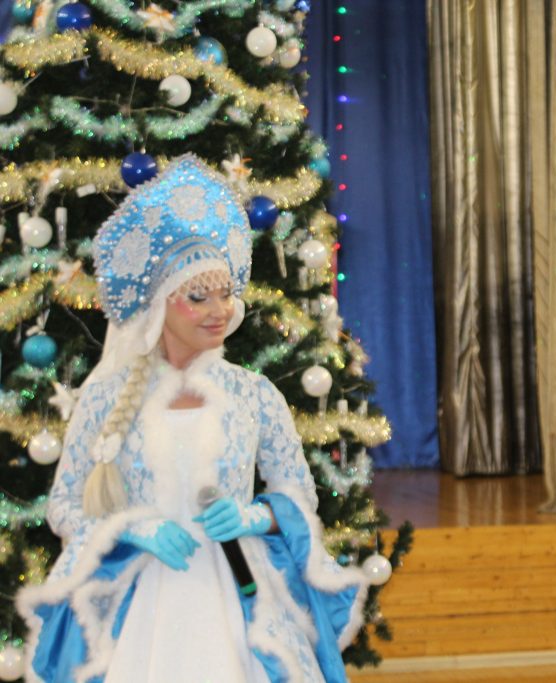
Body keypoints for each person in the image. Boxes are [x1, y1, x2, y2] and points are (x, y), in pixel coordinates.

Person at [17, 155, 367, 682]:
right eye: (198, 297)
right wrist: (134, 528)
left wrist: (254, 516)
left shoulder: (254, 393)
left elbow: (299, 494)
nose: (218, 310)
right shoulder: (106, 397)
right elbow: (64, 507)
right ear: (160, 305)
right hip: (139, 606)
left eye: (225, 294)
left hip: (240, 596)